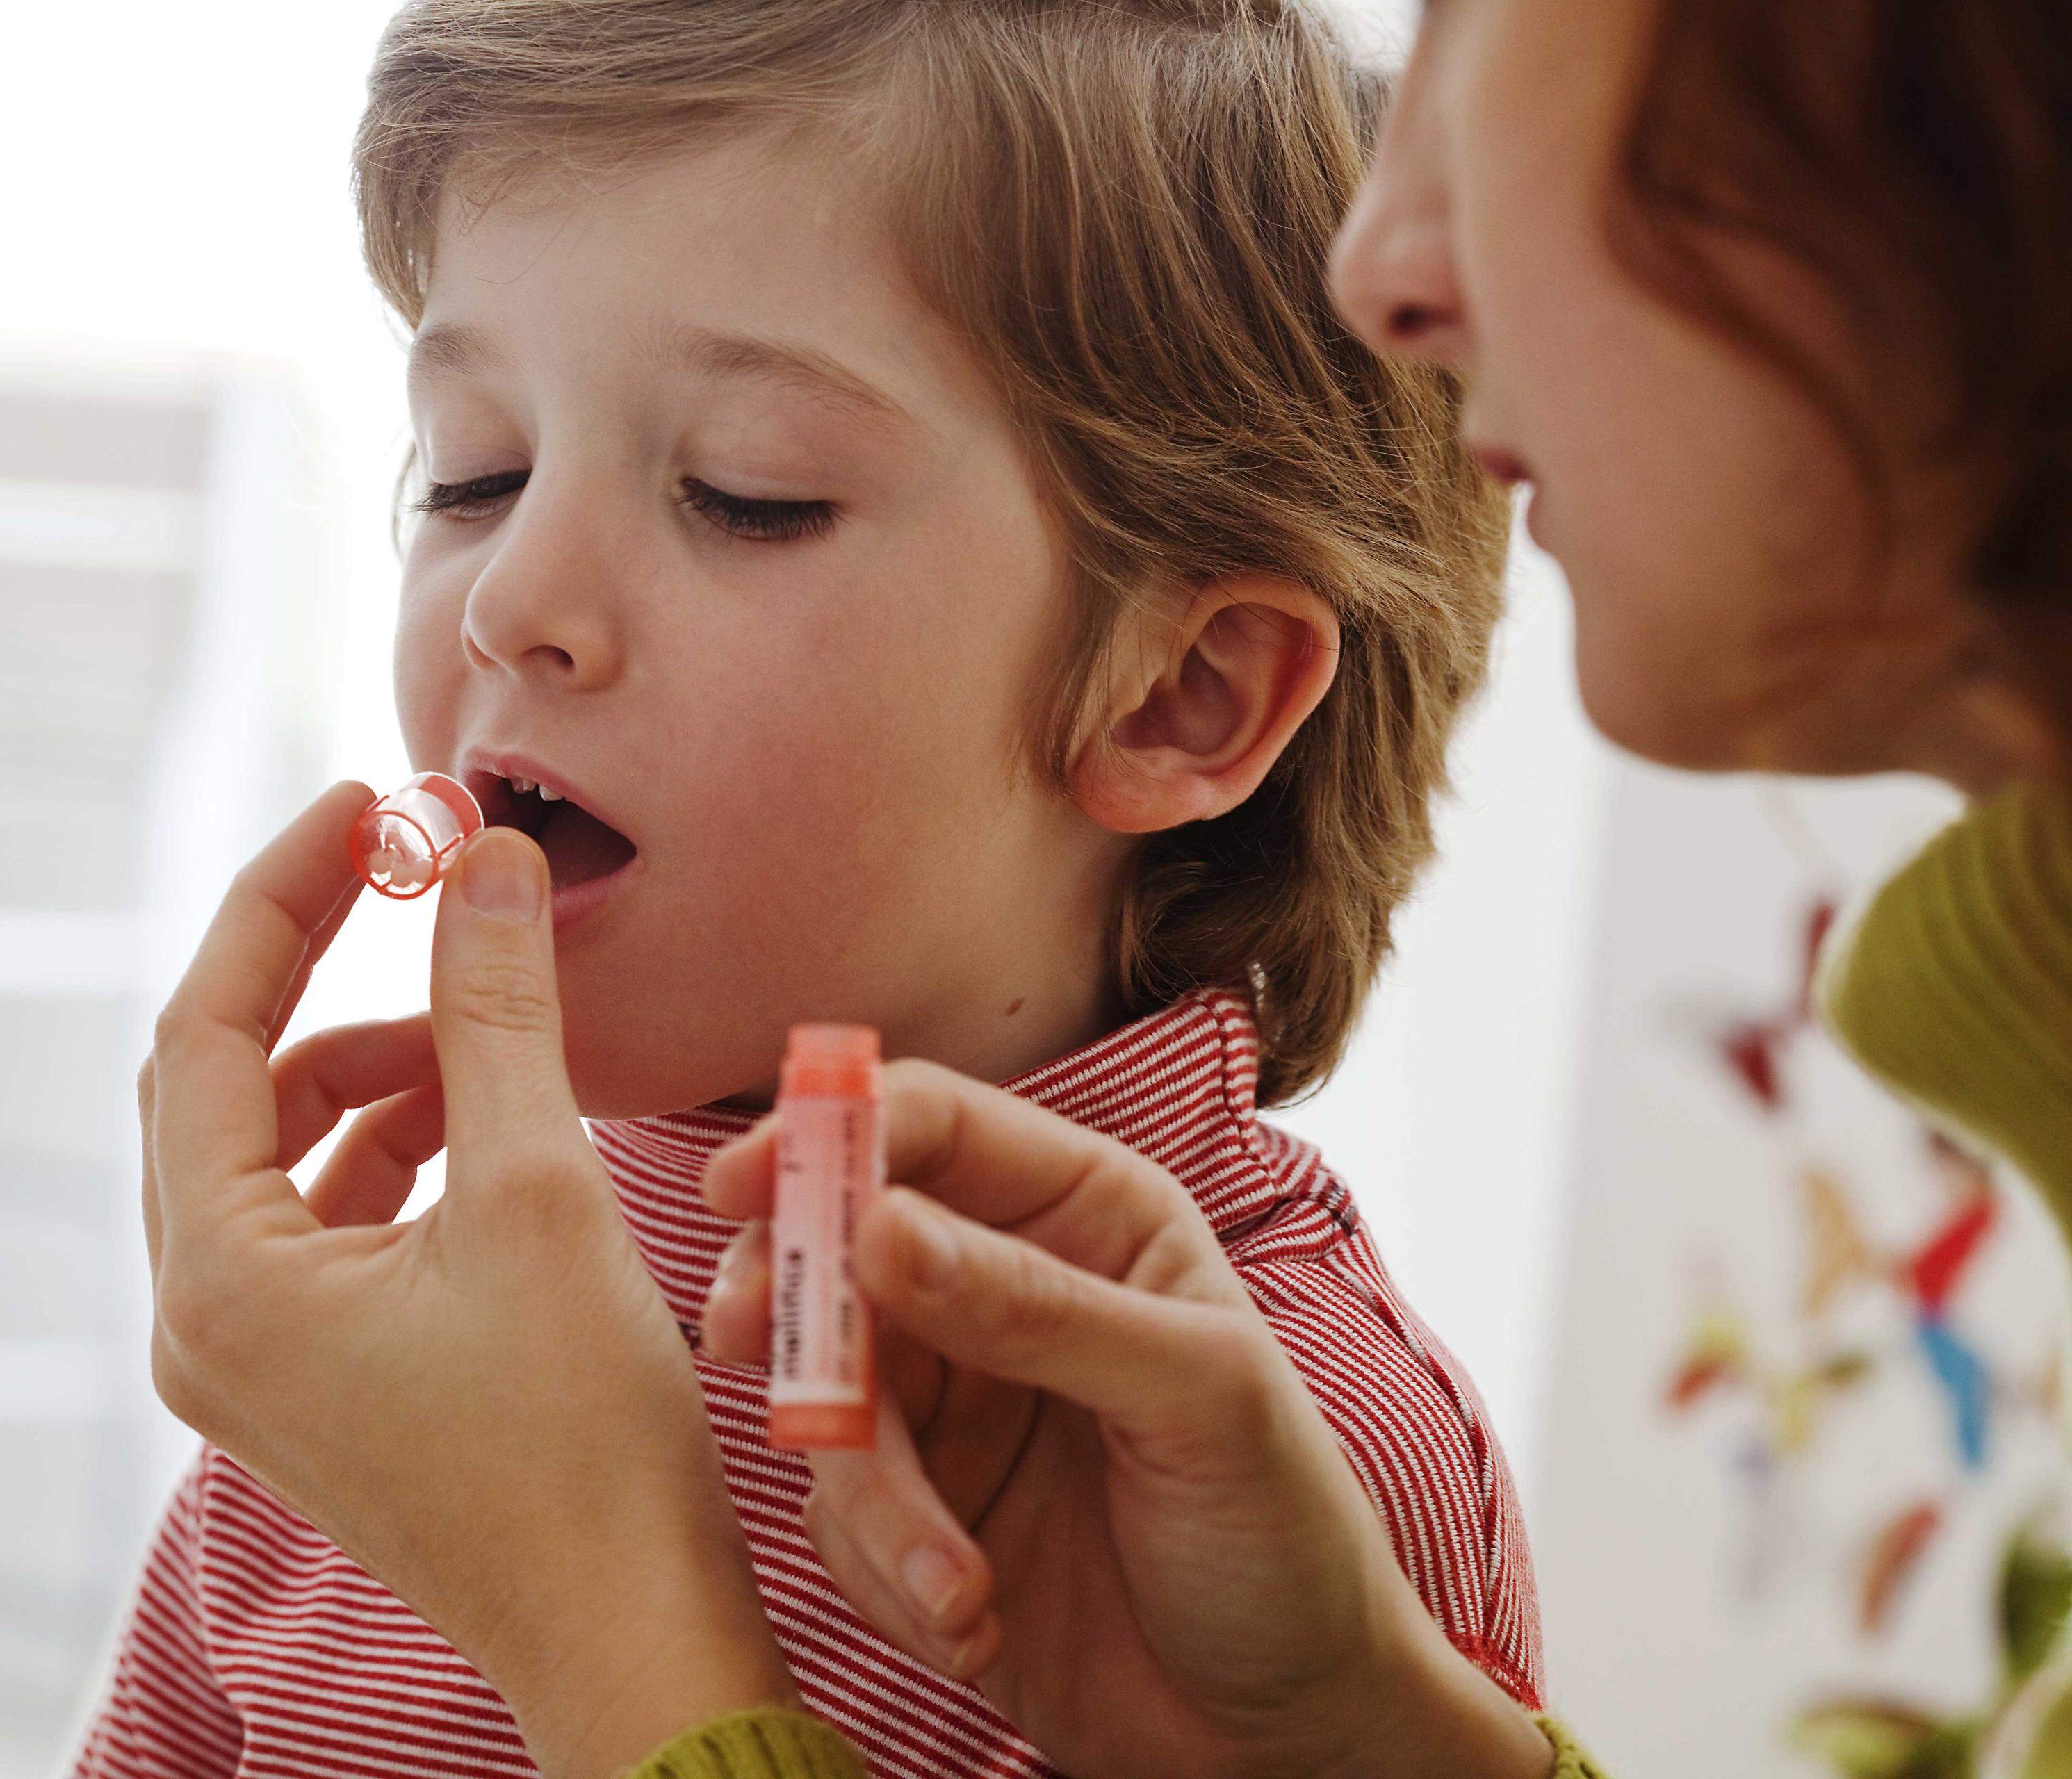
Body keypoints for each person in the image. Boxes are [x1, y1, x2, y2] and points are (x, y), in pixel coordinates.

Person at [125, 0, 2071, 1774]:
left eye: (746, 490)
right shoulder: (394, 1347)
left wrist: (591, 1612)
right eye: (469, 471)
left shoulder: (1252, 1443)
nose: (515, 602)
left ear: (1181, 696)